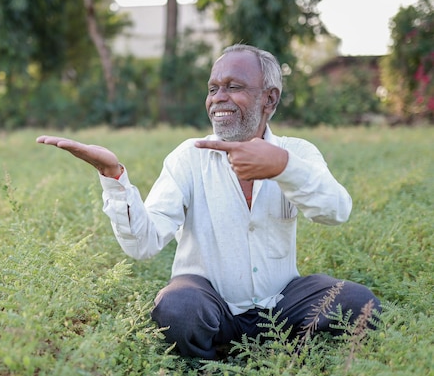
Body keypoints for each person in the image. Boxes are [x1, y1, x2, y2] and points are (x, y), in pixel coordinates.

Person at [36, 44, 380, 359]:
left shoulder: (297, 153)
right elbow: (144, 243)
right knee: (178, 308)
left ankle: (283, 353)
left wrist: (283, 167)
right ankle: (213, 364)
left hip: (280, 303)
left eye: (234, 86)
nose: (219, 97)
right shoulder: (189, 156)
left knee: (359, 302)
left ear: (270, 99)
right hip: (211, 304)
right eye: (213, 88)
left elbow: (336, 211)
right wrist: (113, 177)